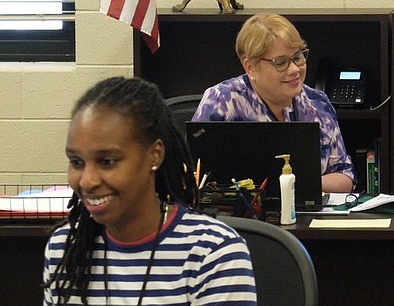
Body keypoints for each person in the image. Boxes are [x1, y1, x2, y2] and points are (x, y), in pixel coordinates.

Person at [43, 76, 257, 305]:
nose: (87, 181)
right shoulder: (65, 247)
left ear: (154, 155)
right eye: (76, 162)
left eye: (107, 161)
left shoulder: (213, 252)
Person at [192, 12, 355, 193]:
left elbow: (345, 176)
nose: (294, 70)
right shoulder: (222, 101)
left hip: (309, 217)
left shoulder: (317, 103)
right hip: (241, 218)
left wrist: (293, 184)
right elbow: (194, 178)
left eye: (298, 57)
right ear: (251, 67)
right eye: (281, 62)